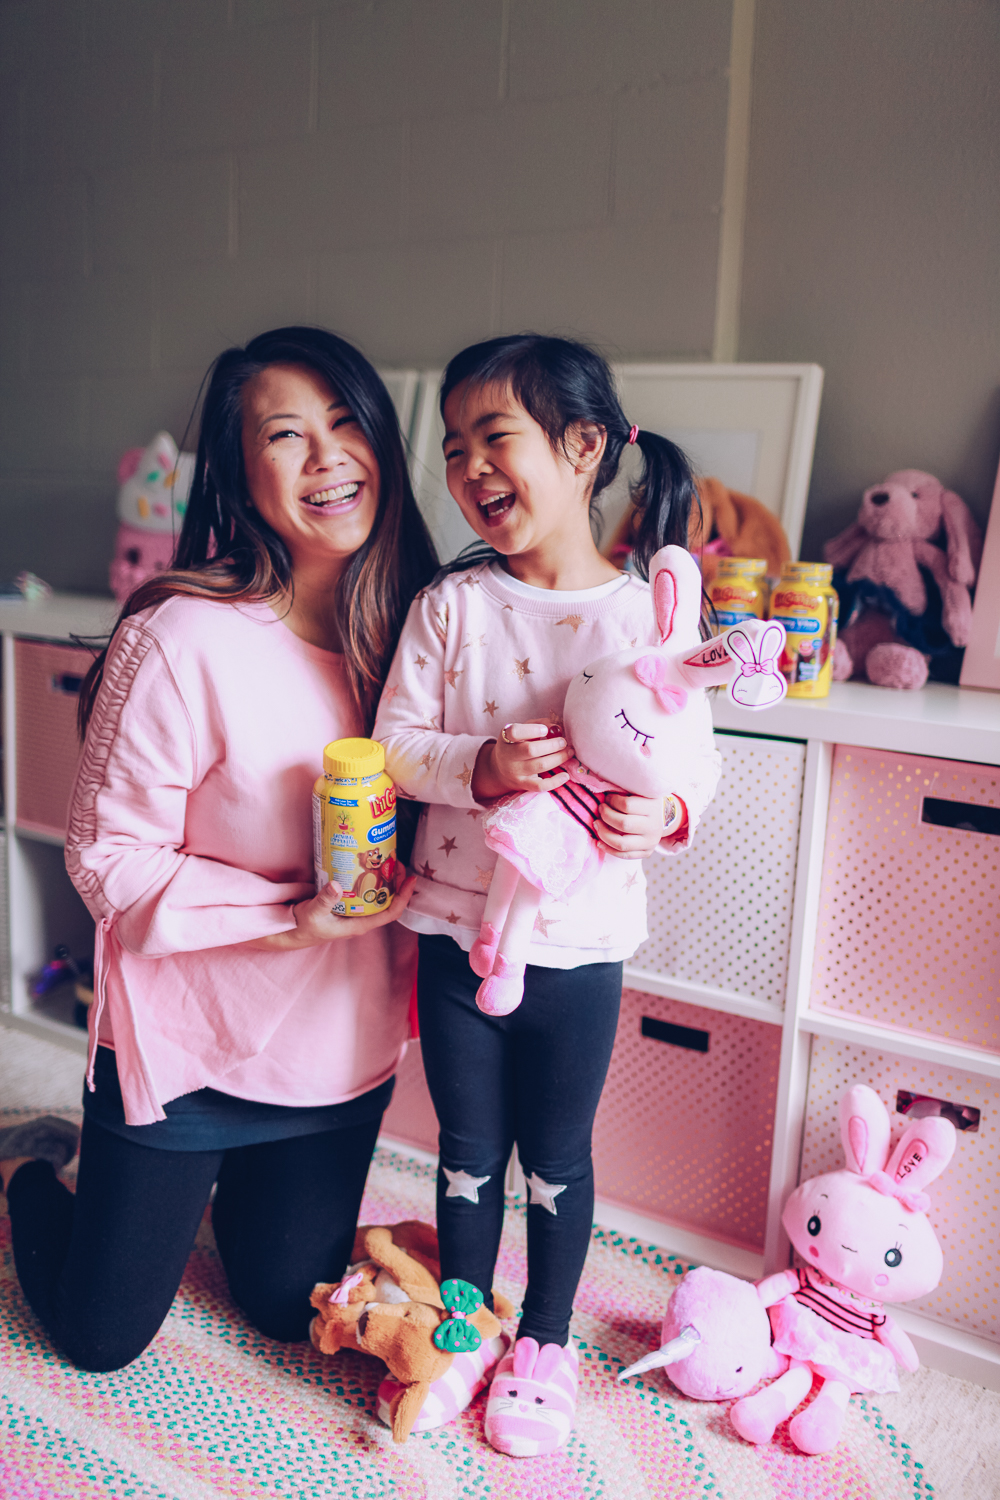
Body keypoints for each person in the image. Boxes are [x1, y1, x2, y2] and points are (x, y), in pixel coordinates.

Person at [0, 326, 438, 1373]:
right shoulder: (183, 639)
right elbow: (107, 862)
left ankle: (225, 1198)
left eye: (345, 423)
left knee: (288, 1308)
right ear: (242, 480)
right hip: (184, 1047)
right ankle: (31, 1175)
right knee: (99, 1339)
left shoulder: (427, 631)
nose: (328, 456)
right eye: (287, 435)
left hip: (332, 1047)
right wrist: (289, 917)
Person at [373, 333, 723, 1457]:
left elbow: (691, 767)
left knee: (556, 1153)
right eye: (453, 449)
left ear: (582, 450)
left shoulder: (646, 621)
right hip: (452, 924)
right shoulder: (452, 608)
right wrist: (479, 765)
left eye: (495, 438)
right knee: (467, 1145)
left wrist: (659, 819)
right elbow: (392, 749)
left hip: (579, 942)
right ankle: (470, 1320)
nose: (470, 468)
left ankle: (549, 1342)